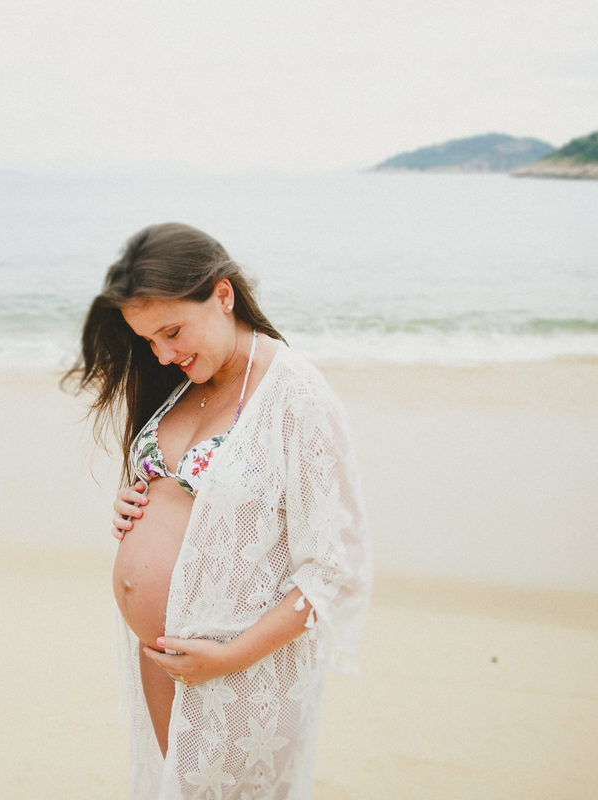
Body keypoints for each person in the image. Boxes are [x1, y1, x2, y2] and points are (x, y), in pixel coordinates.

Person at [69, 222, 371, 799]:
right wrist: (137, 497)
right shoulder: (185, 379)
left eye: (173, 331)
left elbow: (332, 570)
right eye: (149, 340)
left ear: (224, 295)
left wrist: (228, 657)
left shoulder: (297, 397)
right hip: (164, 662)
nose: (163, 352)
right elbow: (195, 493)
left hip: (237, 672)